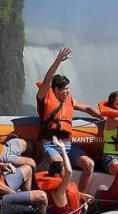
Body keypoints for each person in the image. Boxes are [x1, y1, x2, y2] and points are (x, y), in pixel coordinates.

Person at [35, 47, 102, 193]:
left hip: (68, 146)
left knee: (89, 164)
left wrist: (103, 117)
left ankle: (80, 196)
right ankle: (63, 199)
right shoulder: (44, 97)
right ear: (57, 90)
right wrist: (58, 61)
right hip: (51, 145)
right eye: (65, 89)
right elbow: (47, 80)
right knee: (61, 169)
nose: (68, 91)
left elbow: (88, 109)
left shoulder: (69, 100)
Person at [35, 138, 83, 214]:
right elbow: (69, 172)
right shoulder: (59, 192)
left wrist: (82, 195)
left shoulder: (59, 187)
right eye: (63, 170)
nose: (66, 171)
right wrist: (63, 149)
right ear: (57, 175)